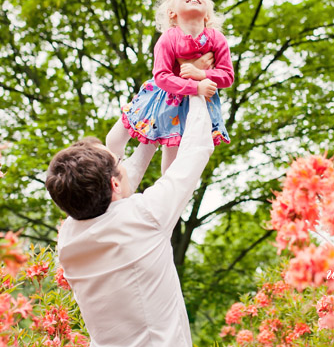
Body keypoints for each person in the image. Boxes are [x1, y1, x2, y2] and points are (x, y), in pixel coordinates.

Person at [46, 96, 214, 347]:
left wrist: (152, 135)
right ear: (114, 183)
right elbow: (197, 149)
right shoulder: (144, 217)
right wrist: (196, 92)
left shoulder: (68, 239)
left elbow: (118, 189)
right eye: (119, 162)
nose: (123, 164)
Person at [106, 0, 234, 174]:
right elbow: (161, 76)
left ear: (208, 13)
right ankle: (112, 166)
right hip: (157, 97)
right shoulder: (169, 37)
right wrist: (196, 86)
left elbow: (227, 76)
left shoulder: (217, 39)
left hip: (185, 106)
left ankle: (168, 195)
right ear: (172, 13)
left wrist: (201, 74)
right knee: (114, 138)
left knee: (172, 157)